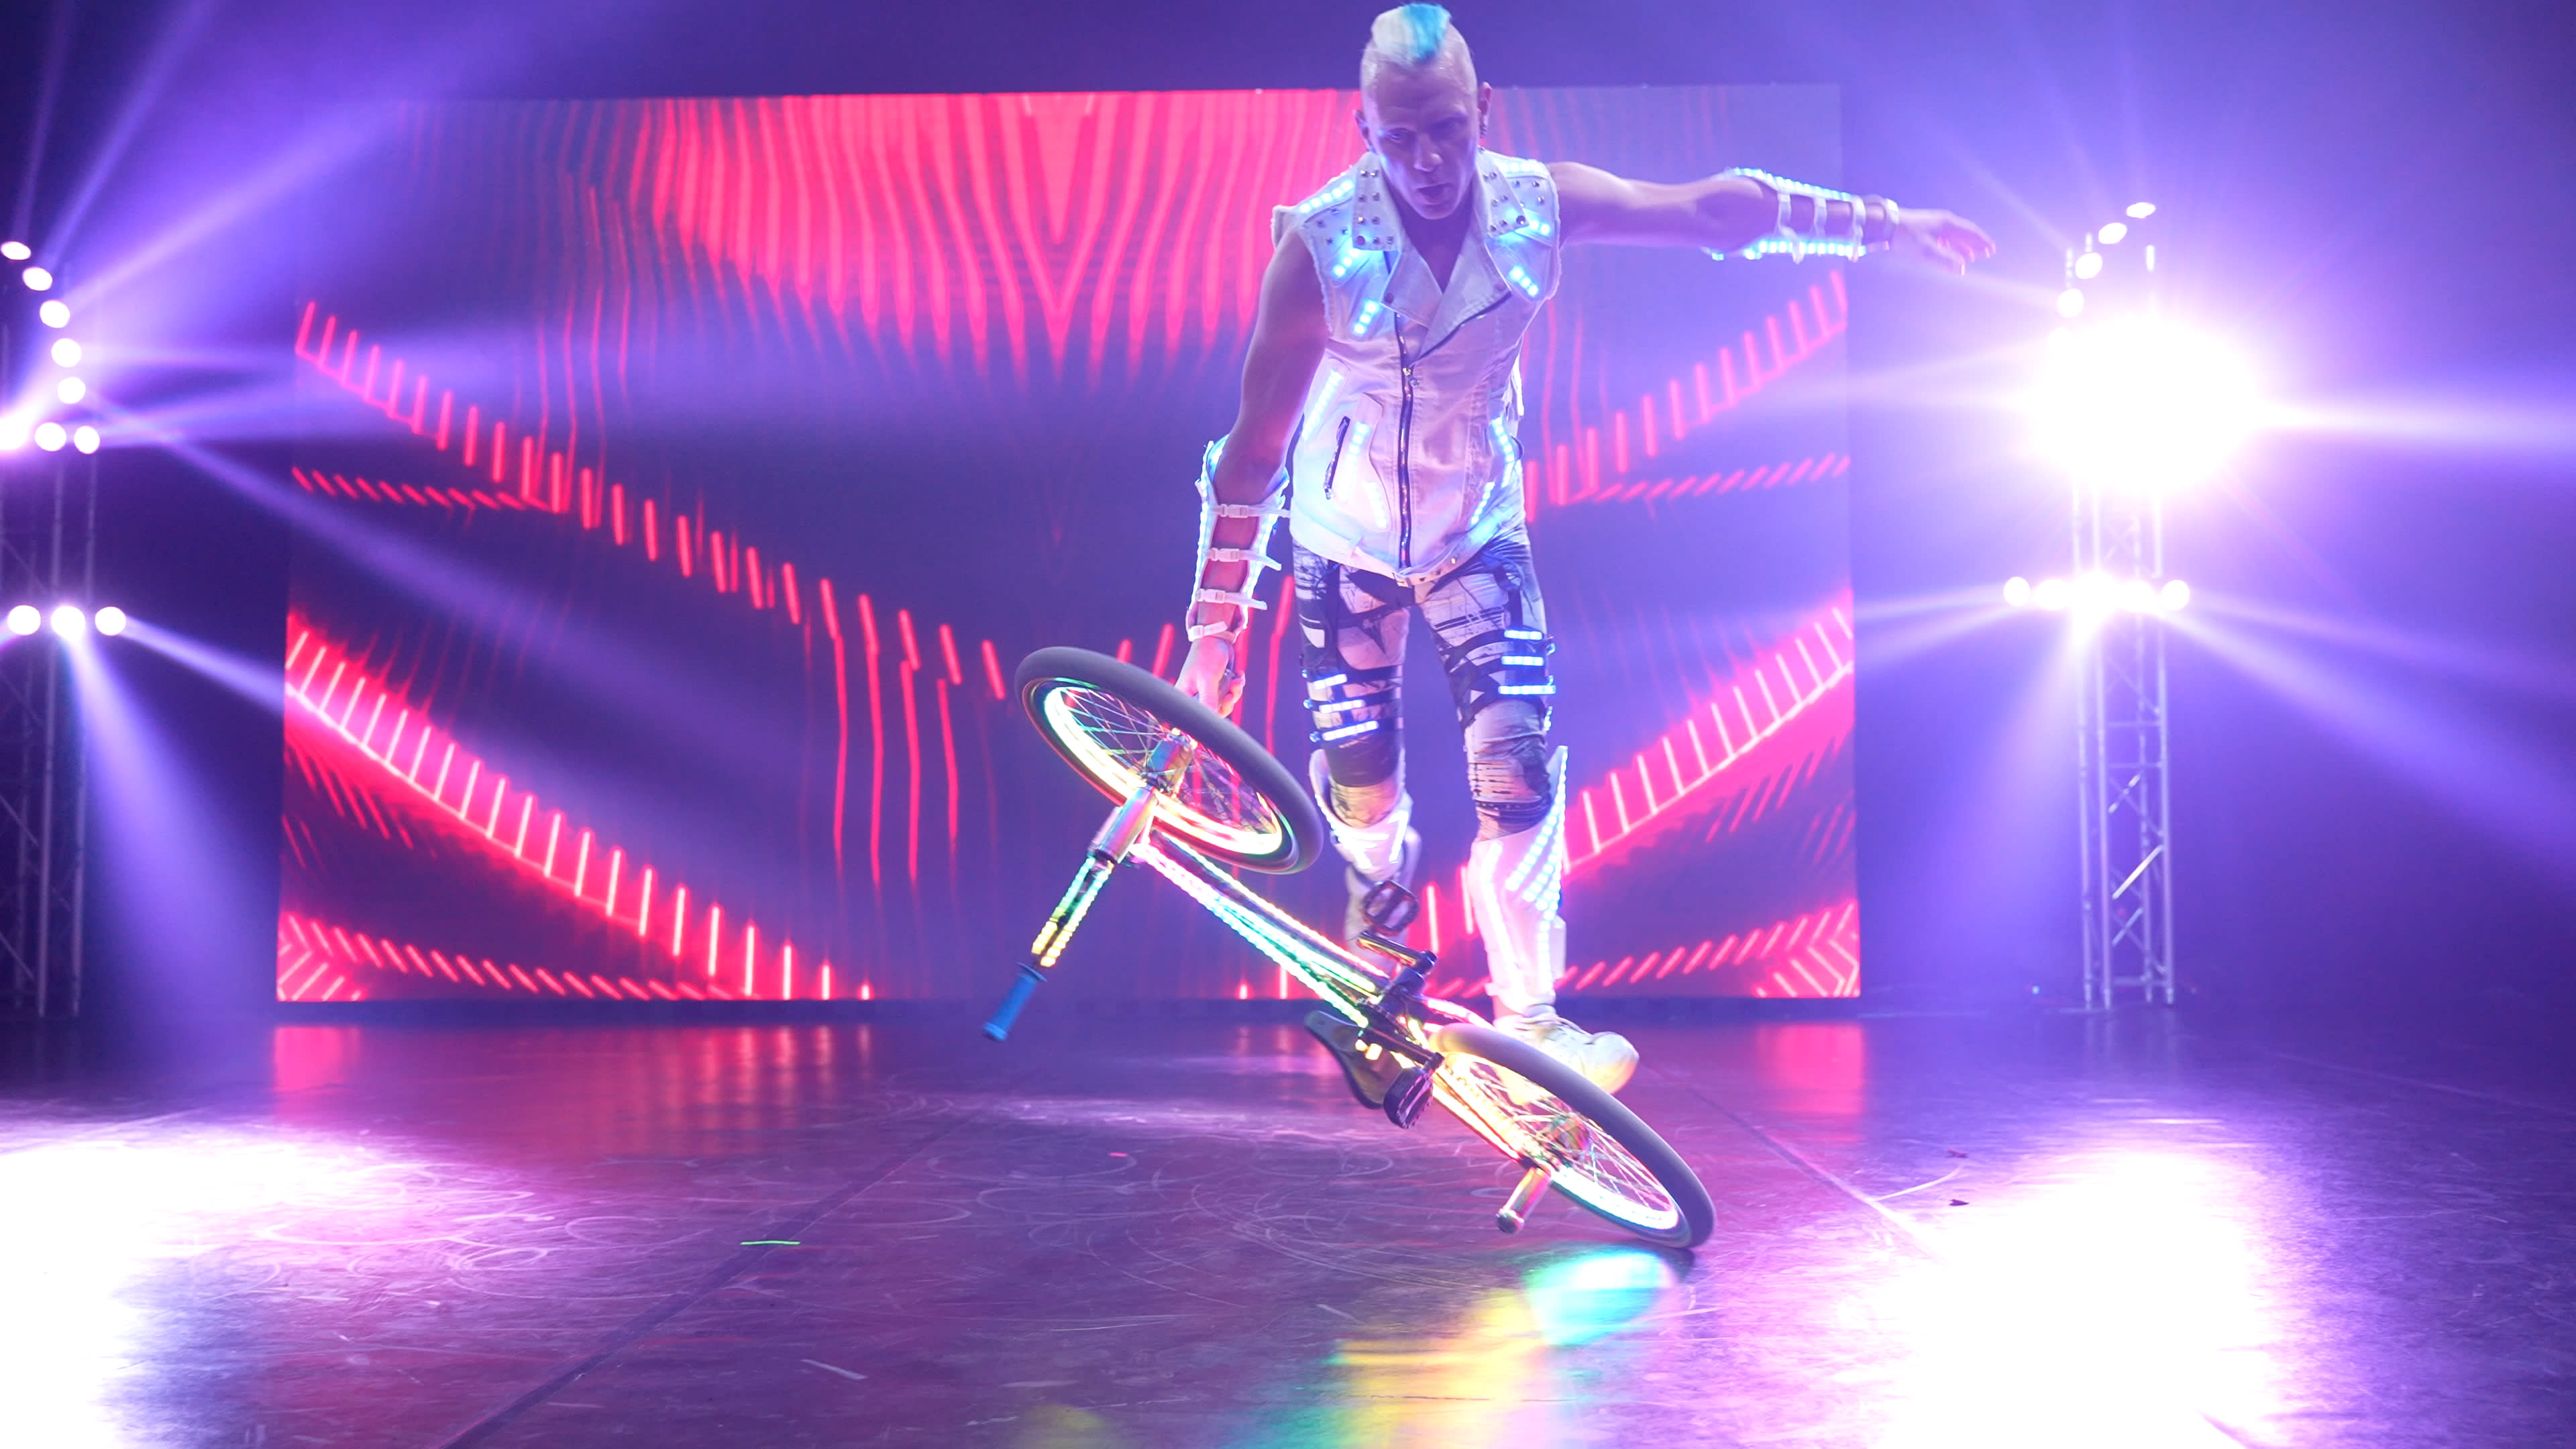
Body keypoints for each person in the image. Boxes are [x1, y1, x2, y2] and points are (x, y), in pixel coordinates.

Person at [1175, 5, 1993, 1097]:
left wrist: (1885, 224)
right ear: (1362, 130)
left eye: (1448, 131)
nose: (1427, 161)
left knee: (1516, 768)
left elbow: (1710, 210)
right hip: (1342, 546)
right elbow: (1251, 453)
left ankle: (1534, 1026)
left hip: (1477, 535)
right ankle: (1378, 927)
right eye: (1400, 136)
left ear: (1484, 113)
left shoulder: (1532, 206)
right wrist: (1214, 636)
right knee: (1364, 783)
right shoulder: (1318, 249)